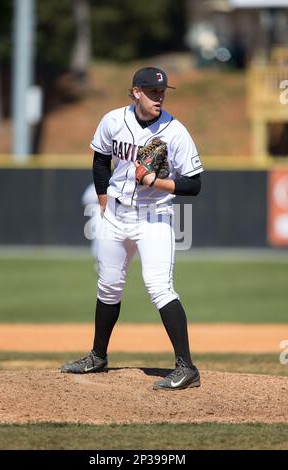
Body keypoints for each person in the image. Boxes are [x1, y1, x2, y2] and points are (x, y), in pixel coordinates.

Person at [61, 66, 204, 390]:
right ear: (135, 92)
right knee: (108, 285)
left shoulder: (175, 131)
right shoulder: (113, 120)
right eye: (152, 91)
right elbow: (100, 160)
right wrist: (102, 198)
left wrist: (158, 181)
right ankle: (98, 356)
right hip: (115, 214)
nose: (159, 96)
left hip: (154, 216)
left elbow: (194, 185)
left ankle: (186, 367)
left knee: (159, 287)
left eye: (163, 91)